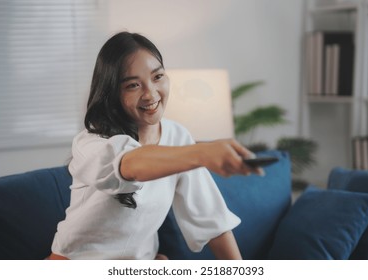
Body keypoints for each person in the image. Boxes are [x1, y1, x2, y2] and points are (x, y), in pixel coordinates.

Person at [48, 31, 263, 260]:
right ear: (112, 93)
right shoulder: (90, 143)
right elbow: (131, 165)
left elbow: (212, 220)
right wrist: (203, 152)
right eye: (132, 85)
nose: (150, 93)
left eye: (157, 77)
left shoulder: (178, 136)